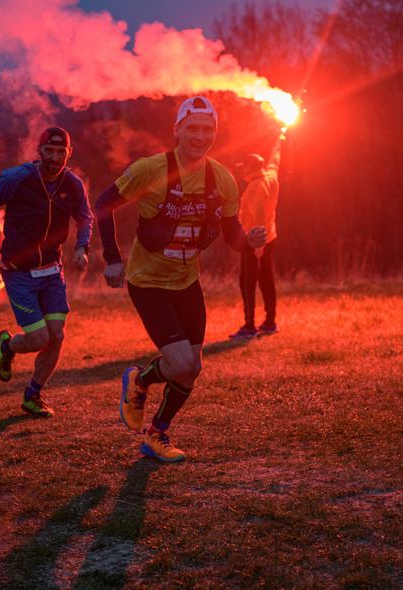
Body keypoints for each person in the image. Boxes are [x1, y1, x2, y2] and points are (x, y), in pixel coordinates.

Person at [95, 96, 267, 462]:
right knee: (176, 364)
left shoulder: (222, 178)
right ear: (177, 130)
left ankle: (156, 434)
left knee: (193, 368)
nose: (200, 136)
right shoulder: (149, 169)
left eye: (208, 130)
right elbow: (103, 204)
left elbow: (232, 233)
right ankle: (139, 380)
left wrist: (247, 240)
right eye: (193, 128)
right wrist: (112, 257)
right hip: (148, 282)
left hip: (187, 282)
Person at [0, 126, 93, 418]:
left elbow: (85, 216)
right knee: (40, 339)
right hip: (18, 272)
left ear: (69, 153)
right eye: (49, 150)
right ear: (38, 151)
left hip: (53, 272)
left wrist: (82, 246)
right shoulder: (15, 179)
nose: (54, 157)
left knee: (57, 336)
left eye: (60, 151)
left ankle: (33, 395)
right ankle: (8, 346)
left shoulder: (73, 184)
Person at [230, 133, 285, 339]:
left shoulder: (254, 188)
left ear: (250, 168)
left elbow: (260, 217)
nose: (242, 169)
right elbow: (275, 161)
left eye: (244, 166)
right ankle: (270, 322)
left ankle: (249, 326)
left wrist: (257, 247)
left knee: (247, 282)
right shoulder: (270, 177)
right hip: (271, 237)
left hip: (255, 242)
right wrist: (280, 140)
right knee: (267, 280)